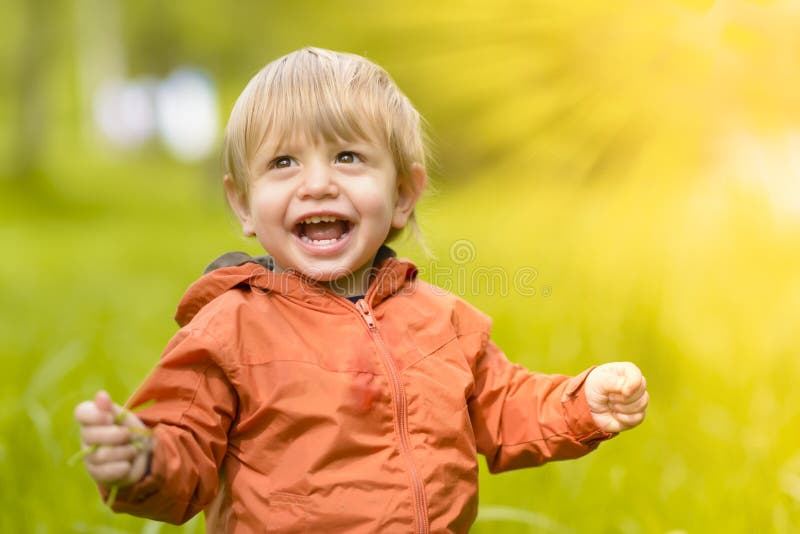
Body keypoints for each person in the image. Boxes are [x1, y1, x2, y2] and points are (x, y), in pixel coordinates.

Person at [74, 47, 649, 533]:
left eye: (347, 157)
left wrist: (582, 403)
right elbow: (184, 449)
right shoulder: (230, 329)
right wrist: (143, 457)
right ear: (243, 203)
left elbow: (506, 408)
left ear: (403, 194)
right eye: (283, 162)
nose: (318, 183)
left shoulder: (445, 323)